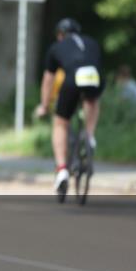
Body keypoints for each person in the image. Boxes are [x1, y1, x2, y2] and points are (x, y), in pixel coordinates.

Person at [35, 18, 104, 195]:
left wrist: (44, 105)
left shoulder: (56, 47)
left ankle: (62, 169)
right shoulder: (91, 42)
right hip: (94, 77)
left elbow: (48, 80)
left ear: (60, 35)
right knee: (92, 100)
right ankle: (89, 135)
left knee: (60, 122)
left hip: (73, 79)